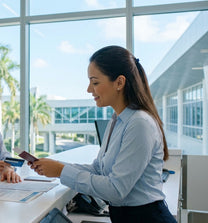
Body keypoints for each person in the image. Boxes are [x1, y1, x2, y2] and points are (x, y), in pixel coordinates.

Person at [29, 45, 176, 223]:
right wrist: (56, 166)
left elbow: (116, 190)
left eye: (95, 82)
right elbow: (99, 169)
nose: (89, 89)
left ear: (119, 83)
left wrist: (61, 171)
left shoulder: (139, 123)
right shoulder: (117, 120)